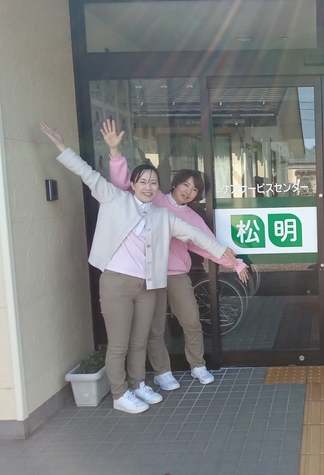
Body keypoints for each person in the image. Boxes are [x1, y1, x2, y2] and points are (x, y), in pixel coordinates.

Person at [40, 121, 239, 415]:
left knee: (139, 341)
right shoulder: (114, 198)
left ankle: (137, 385)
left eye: (153, 183)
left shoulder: (162, 215)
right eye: (143, 182)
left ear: (159, 188)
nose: (148, 187)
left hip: (147, 285)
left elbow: (196, 235)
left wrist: (224, 253)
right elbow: (86, 172)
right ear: (132, 184)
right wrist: (62, 144)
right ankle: (120, 394)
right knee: (119, 343)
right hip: (116, 283)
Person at [105, 119, 248, 390]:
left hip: (177, 275)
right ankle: (162, 372)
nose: (189, 192)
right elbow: (125, 185)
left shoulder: (192, 217)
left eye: (195, 190)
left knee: (191, 322)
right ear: (175, 183)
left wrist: (236, 263)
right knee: (155, 328)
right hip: (149, 273)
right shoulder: (155, 198)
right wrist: (115, 152)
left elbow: (207, 244)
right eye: (186, 185)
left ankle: (198, 366)